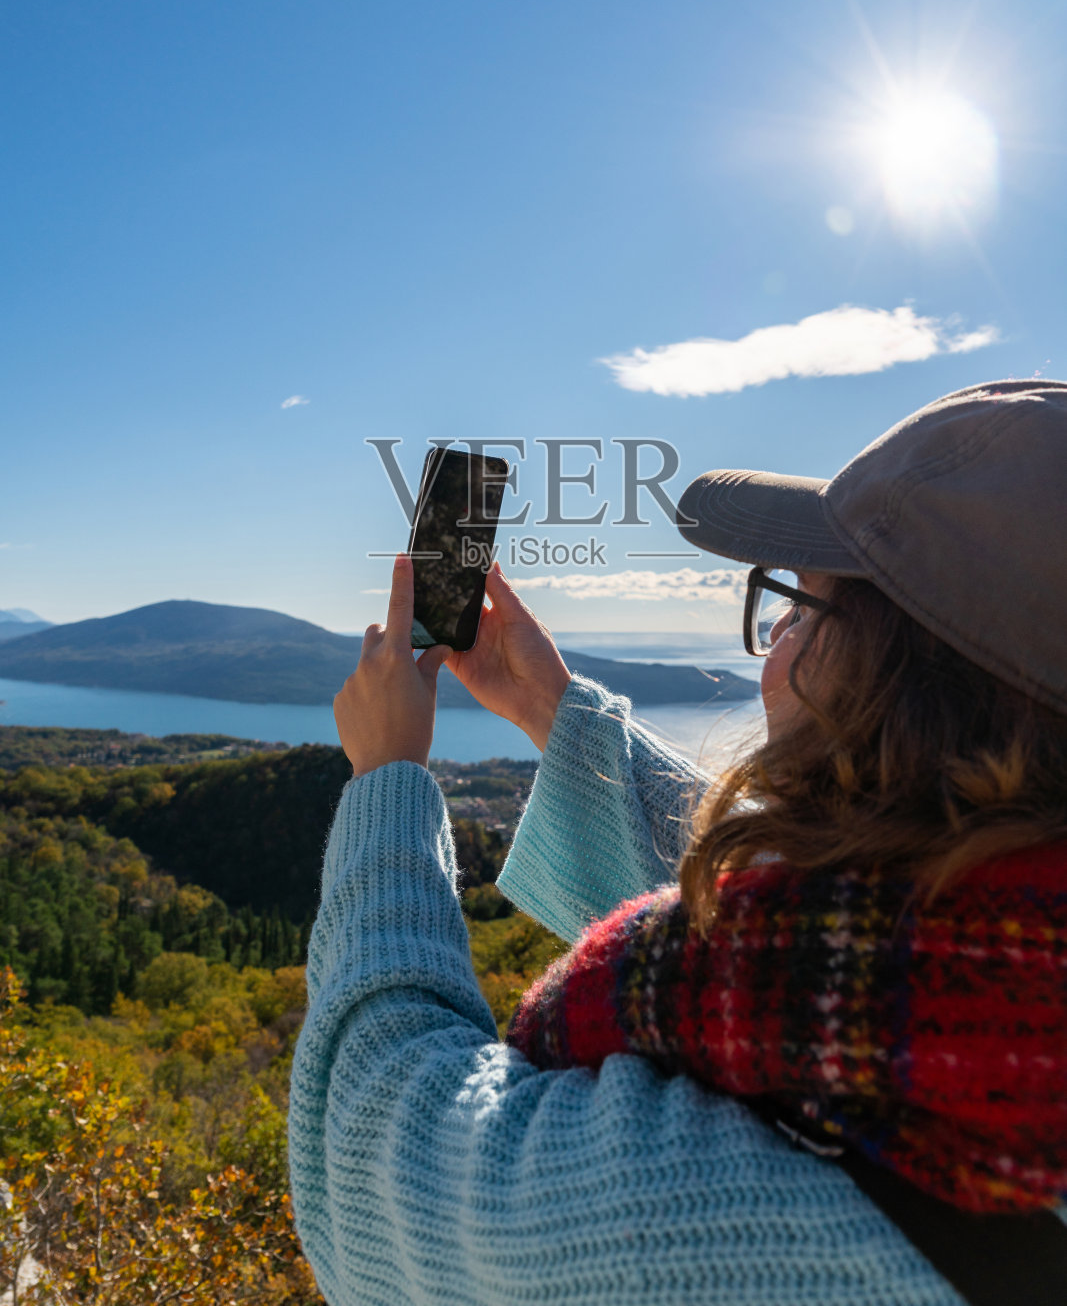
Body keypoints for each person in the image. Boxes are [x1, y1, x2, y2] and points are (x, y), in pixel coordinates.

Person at [288, 379, 1067, 1306]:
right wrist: (552, 711)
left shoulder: (736, 1205)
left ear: (879, 680)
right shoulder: (988, 975)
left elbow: (379, 1155)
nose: (772, 645)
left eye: (797, 608)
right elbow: (791, 908)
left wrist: (386, 779)